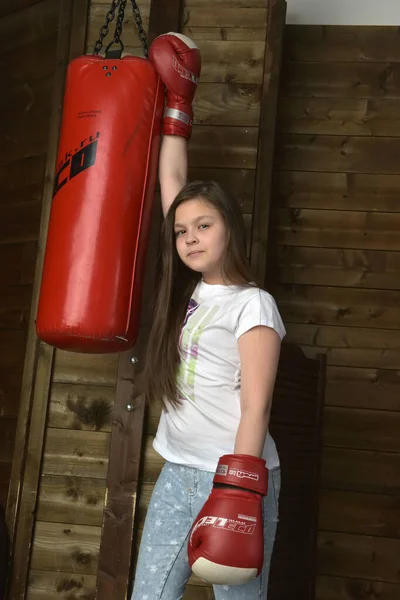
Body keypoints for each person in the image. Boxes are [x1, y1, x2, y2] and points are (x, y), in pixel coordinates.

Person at [131, 32, 286, 600]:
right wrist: (179, 109)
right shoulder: (192, 294)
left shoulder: (253, 304)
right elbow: (172, 188)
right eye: (181, 231)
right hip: (178, 475)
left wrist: (238, 496)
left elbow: (257, 405)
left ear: (229, 229)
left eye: (205, 226)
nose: (190, 238)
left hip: (238, 482)